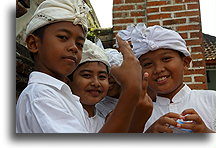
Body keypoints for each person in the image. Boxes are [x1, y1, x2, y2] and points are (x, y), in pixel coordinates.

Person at [16, 0, 146, 133]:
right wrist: (131, 90)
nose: (73, 47)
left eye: (79, 44)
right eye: (63, 37)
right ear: (33, 44)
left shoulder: (63, 97)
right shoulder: (40, 96)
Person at [118, 23, 216, 133]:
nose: (158, 69)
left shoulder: (211, 100)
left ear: (185, 62)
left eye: (166, 59)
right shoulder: (137, 115)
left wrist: (206, 133)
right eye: (148, 64)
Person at [68, 39, 110, 132]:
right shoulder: (63, 114)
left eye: (102, 77)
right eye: (86, 75)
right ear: (68, 80)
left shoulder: (104, 121)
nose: (96, 83)